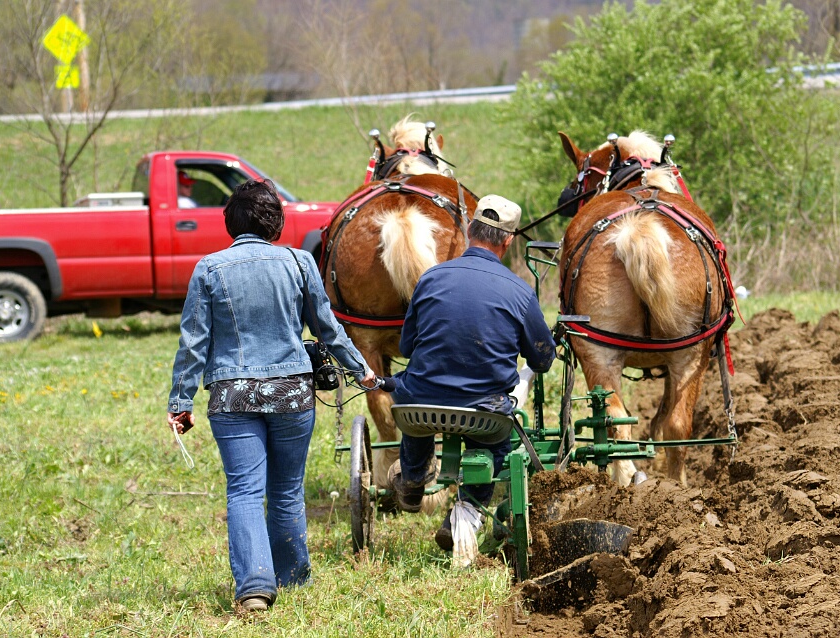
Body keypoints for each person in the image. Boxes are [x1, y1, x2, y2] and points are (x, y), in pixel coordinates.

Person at [166, 179, 376, 613]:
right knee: (286, 490)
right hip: (292, 395)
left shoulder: (209, 269)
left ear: (230, 223)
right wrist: (363, 371)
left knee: (244, 491)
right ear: (275, 222)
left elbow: (193, 343)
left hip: (232, 396)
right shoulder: (299, 263)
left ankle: (255, 588)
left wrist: (181, 403)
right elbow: (328, 329)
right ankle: (292, 577)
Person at [389, 194, 556, 551]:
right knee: (495, 444)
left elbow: (406, 347)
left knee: (415, 396)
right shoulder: (520, 291)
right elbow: (542, 360)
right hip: (483, 414)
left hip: (420, 408)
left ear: (469, 230)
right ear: (508, 241)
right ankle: (468, 508)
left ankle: (414, 477)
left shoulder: (430, 278)